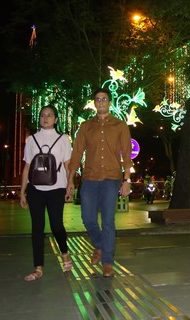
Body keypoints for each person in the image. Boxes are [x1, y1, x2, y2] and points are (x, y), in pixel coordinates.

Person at [68, 89, 133, 278]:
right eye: (98, 99)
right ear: (94, 103)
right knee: (87, 218)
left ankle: (107, 262)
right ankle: (99, 245)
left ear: (109, 102)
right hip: (89, 178)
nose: (101, 102)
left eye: (104, 99)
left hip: (112, 179)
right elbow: (77, 153)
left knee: (108, 221)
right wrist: (70, 179)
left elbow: (127, 155)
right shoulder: (86, 126)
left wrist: (126, 180)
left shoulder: (120, 126)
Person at [20, 105, 73, 281]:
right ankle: (38, 267)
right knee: (37, 228)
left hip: (57, 187)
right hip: (35, 189)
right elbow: (27, 166)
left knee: (57, 225)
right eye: (43, 115)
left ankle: (64, 252)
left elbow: (67, 164)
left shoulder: (64, 139)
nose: (45, 118)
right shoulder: (31, 140)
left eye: (49, 115)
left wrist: (70, 184)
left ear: (56, 119)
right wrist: (22, 192)